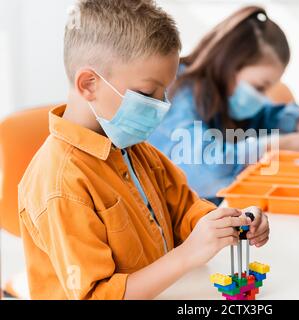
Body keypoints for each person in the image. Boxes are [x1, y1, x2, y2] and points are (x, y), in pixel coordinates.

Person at [18, 0, 269, 300]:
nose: (161, 105)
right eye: (148, 93)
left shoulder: (133, 148)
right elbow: (96, 296)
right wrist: (188, 254)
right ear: (88, 84)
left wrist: (230, 223)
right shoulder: (61, 186)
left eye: (164, 92)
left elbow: (185, 209)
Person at [149, 6, 299, 204]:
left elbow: (268, 115)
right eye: (259, 87)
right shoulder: (181, 95)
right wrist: (276, 146)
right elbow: (207, 167)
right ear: (229, 65)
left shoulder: (220, 93)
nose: (262, 97)